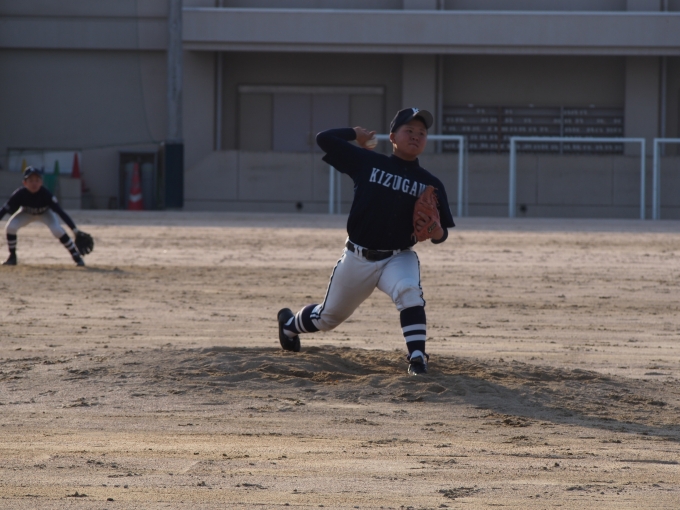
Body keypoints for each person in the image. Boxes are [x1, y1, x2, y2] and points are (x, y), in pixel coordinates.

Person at [277, 108, 455, 375]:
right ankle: (289, 326)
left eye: (422, 132)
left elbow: (442, 235)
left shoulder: (430, 183)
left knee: (409, 292)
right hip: (357, 257)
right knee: (328, 317)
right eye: (409, 130)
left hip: (398, 256)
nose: (416, 136)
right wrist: (354, 133)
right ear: (392, 137)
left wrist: (436, 231)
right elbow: (324, 139)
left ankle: (417, 358)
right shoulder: (368, 162)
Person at [1, 166, 86, 266]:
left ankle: (76, 256)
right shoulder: (19, 194)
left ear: (41, 182)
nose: (34, 183)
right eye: (31, 180)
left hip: (45, 213)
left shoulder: (46, 194)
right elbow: (4, 210)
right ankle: (12, 257)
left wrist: (74, 230)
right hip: (26, 213)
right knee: (10, 227)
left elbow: (60, 212)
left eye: (37, 180)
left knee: (57, 230)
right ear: (24, 183)